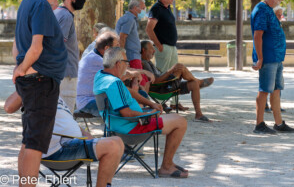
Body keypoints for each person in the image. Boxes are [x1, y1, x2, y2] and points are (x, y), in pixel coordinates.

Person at [12, 0, 67, 185]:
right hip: (41, 82)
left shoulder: (27, 1)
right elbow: (36, 47)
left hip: (35, 81)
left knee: (29, 140)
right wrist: (22, 69)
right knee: (35, 143)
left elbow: (18, 45)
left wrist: (21, 68)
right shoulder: (41, 5)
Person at [93, 47, 189, 178]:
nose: (128, 65)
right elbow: (126, 113)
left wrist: (151, 104)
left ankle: (168, 164)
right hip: (131, 128)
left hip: (116, 125)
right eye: (126, 62)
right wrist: (149, 114)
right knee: (180, 122)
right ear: (118, 64)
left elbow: (129, 92)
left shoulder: (101, 76)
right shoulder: (113, 83)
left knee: (173, 118)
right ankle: (166, 166)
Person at [4, 92, 124, 187]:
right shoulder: (33, 88)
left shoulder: (56, 93)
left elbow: (67, 121)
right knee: (113, 144)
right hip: (59, 149)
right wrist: (27, 82)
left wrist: (86, 135)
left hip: (74, 144)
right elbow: (8, 107)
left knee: (117, 141)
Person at [251, 0, 294, 134]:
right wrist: (260, 58)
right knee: (264, 90)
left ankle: (278, 123)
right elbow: (258, 35)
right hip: (268, 58)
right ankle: (259, 124)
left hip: (276, 57)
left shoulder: (269, 10)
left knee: (276, 90)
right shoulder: (262, 10)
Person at [76, 30, 154, 116]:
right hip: (89, 102)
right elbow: (123, 73)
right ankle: (143, 117)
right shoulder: (97, 60)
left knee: (138, 96)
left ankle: (143, 115)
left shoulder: (99, 57)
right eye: (116, 46)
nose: (119, 48)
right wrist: (140, 73)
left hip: (99, 98)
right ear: (107, 49)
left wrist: (137, 74)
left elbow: (123, 70)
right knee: (126, 106)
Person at [141, 40, 214, 122]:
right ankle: (199, 82)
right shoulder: (144, 63)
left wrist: (170, 71)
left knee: (194, 84)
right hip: (162, 88)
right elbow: (156, 80)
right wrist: (170, 71)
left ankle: (199, 115)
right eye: (151, 48)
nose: (154, 50)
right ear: (144, 50)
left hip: (167, 85)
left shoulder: (148, 62)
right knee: (179, 66)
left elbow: (158, 76)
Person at [54, 0, 86, 112]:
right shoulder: (66, 16)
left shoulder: (57, 13)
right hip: (66, 75)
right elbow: (57, 45)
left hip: (61, 74)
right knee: (66, 115)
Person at [116, 0, 148, 86]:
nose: (144, 11)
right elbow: (122, 37)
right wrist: (123, 57)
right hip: (131, 56)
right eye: (143, 8)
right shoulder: (129, 19)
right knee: (140, 83)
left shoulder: (131, 19)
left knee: (142, 82)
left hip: (133, 56)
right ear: (135, 8)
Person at [265, 6, 286, 113]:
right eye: (278, 14)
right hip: (271, 57)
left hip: (278, 57)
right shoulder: (269, 24)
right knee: (268, 84)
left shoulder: (278, 24)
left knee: (278, 84)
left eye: (280, 14)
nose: (280, 16)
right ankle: (265, 105)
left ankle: (276, 105)